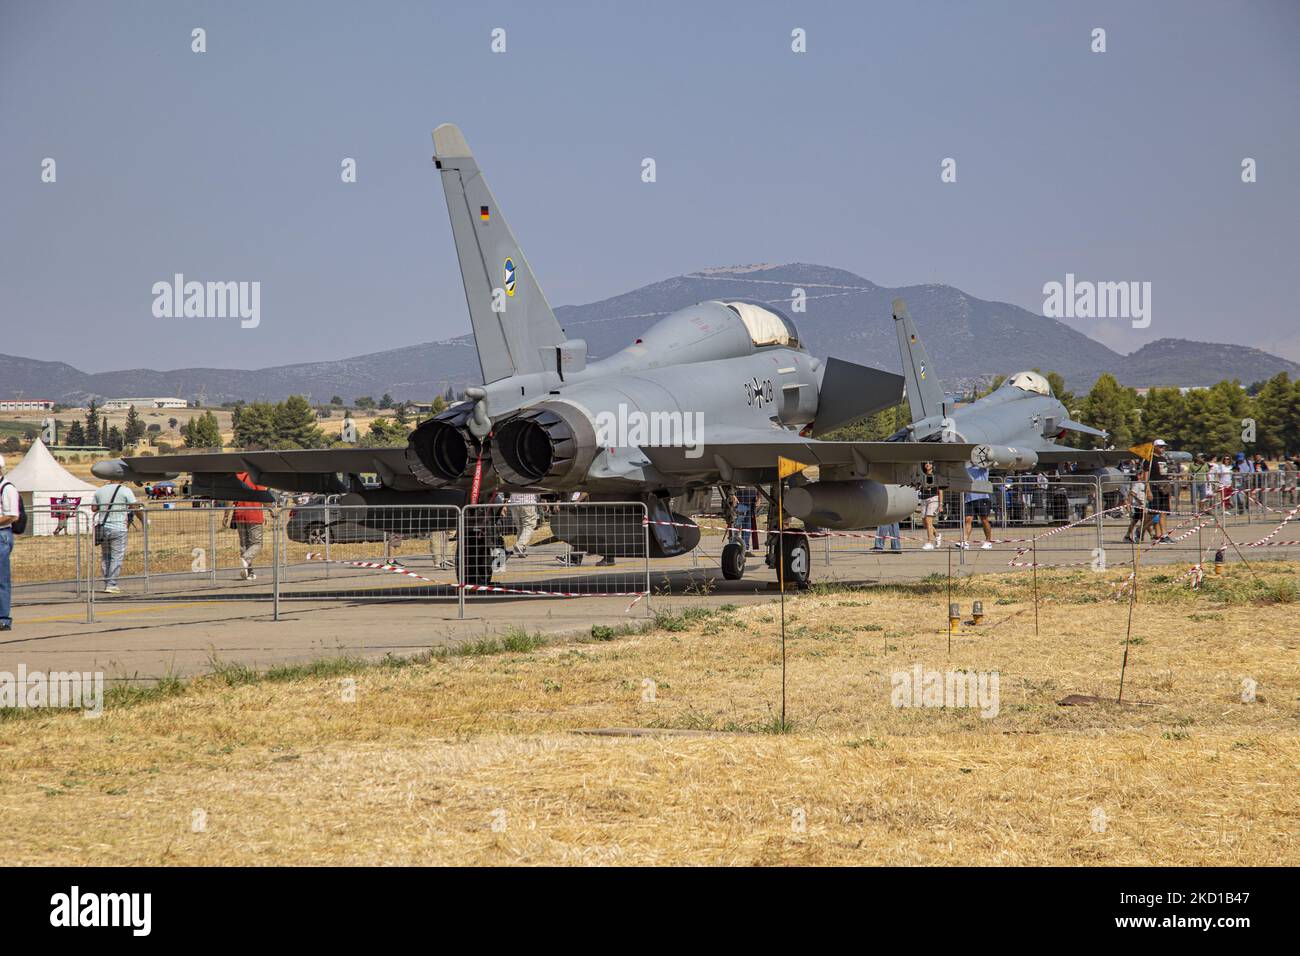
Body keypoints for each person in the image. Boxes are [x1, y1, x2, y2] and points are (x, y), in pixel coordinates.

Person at [92, 479, 140, 594]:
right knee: (116, 557)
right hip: (118, 528)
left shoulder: (100, 490)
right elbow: (135, 506)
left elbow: (94, 508)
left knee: (106, 557)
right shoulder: (125, 490)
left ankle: (107, 582)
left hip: (103, 527)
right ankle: (112, 584)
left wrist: (105, 506)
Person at [225, 471, 268, 581]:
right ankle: (245, 559)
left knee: (244, 544)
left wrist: (226, 515)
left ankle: (249, 572)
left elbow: (229, 499)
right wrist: (271, 510)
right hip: (254, 514)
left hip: (239, 514)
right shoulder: (256, 476)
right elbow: (263, 495)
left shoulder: (235, 477)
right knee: (257, 543)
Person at [0, 454, 20, 630]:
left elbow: (13, 515)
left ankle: (3, 618)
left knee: (1, 579)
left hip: (2, 536)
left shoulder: (7, 488)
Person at [959, 464, 995, 550]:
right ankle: (965, 541)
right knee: (967, 519)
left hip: (982, 497)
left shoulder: (982, 465)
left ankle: (988, 541)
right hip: (969, 498)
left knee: (984, 520)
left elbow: (988, 463)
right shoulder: (966, 466)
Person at [917, 461, 943, 550]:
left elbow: (940, 491)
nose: (927, 464)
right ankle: (937, 535)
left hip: (933, 499)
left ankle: (929, 542)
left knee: (928, 521)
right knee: (925, 523)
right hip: (924, 499)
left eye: (930, 463)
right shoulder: (922, 476)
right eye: (926, 463)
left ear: (932, 465)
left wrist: (940, 504)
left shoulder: (936, 476)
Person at [506, 491, 540, 557]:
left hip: (514, 502)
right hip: (527, 502)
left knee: (520, 528)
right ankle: (520, 545)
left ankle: (521, 550)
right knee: (529, 525)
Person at [1124, 468, 1148, 543]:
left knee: (1140, 521)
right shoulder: (1137, 484)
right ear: (1139, 476)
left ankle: (1128, 535)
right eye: (1142, 474)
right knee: (1144, 521)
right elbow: (1132, 493)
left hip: (1144, 506)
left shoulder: (1145, 484)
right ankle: (1152, 535)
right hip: (1138, 506)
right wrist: (1138, 502)